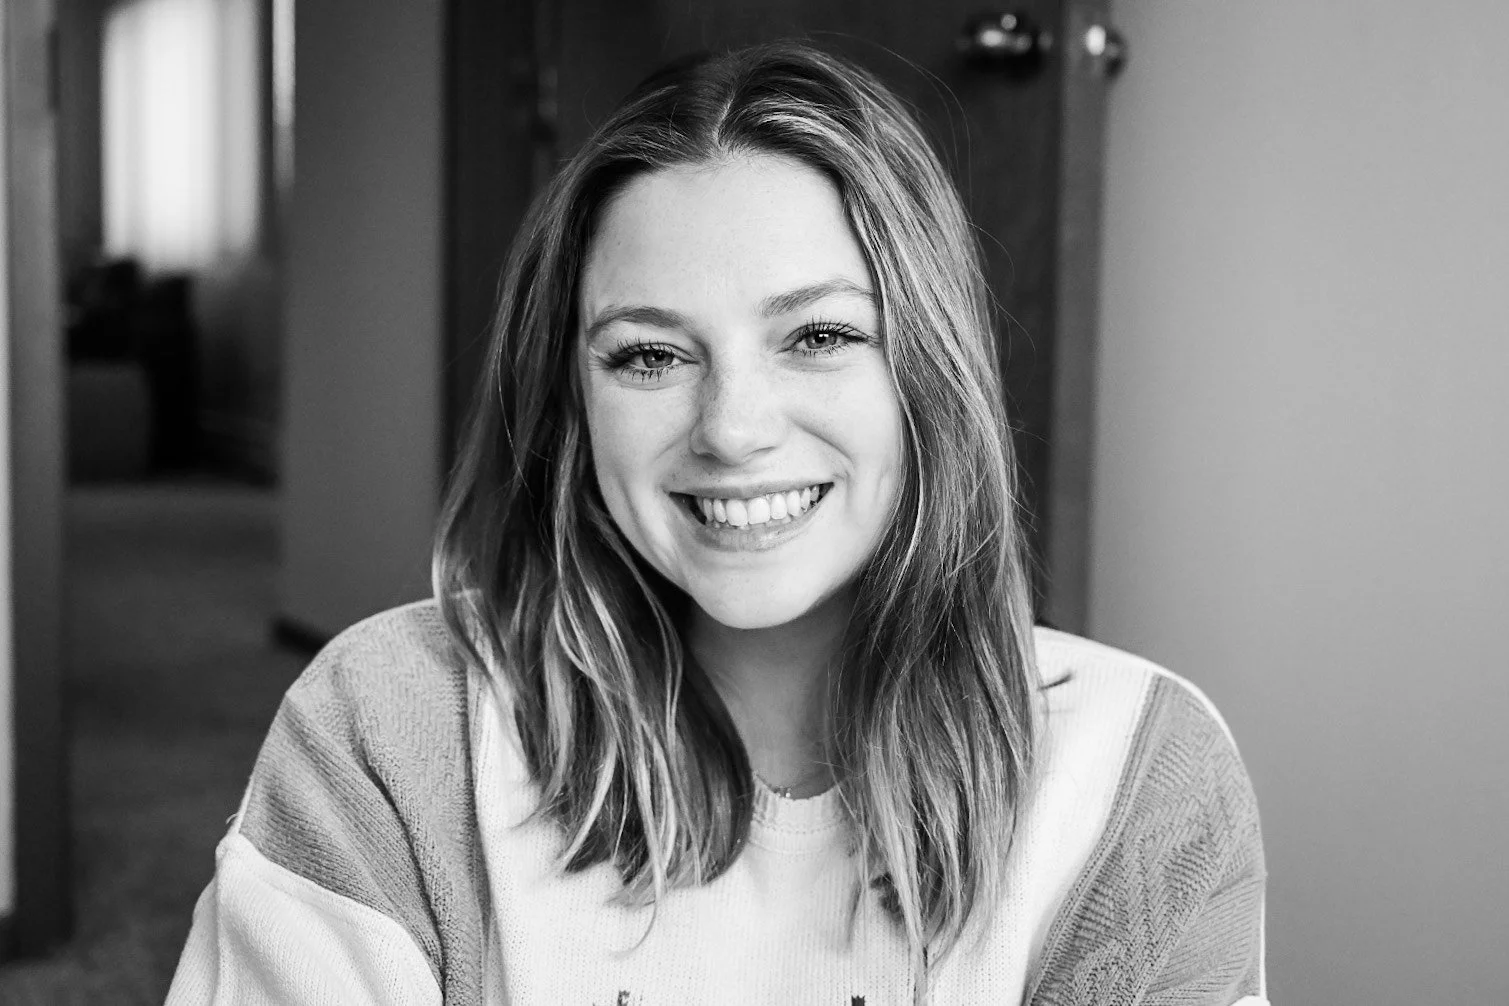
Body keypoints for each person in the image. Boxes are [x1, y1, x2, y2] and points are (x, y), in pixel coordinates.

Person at [166, 41, 1267, 1006]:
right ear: (573, 404)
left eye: (821, 336)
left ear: (929, 371)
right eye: (651, 355)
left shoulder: (1136, 775)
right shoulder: (390, 729)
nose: (733, 430)